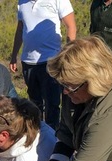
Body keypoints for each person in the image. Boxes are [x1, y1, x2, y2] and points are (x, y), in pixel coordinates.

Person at [9, 0, 76, 129]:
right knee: (34, 104)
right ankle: (37, 135)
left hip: (51, 60)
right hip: (28, 61)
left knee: (52, 104)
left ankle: (52, 137)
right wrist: (14, 56)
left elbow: (71, 26)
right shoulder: (22, 2)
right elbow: (20, 28)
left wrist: (69, 54)